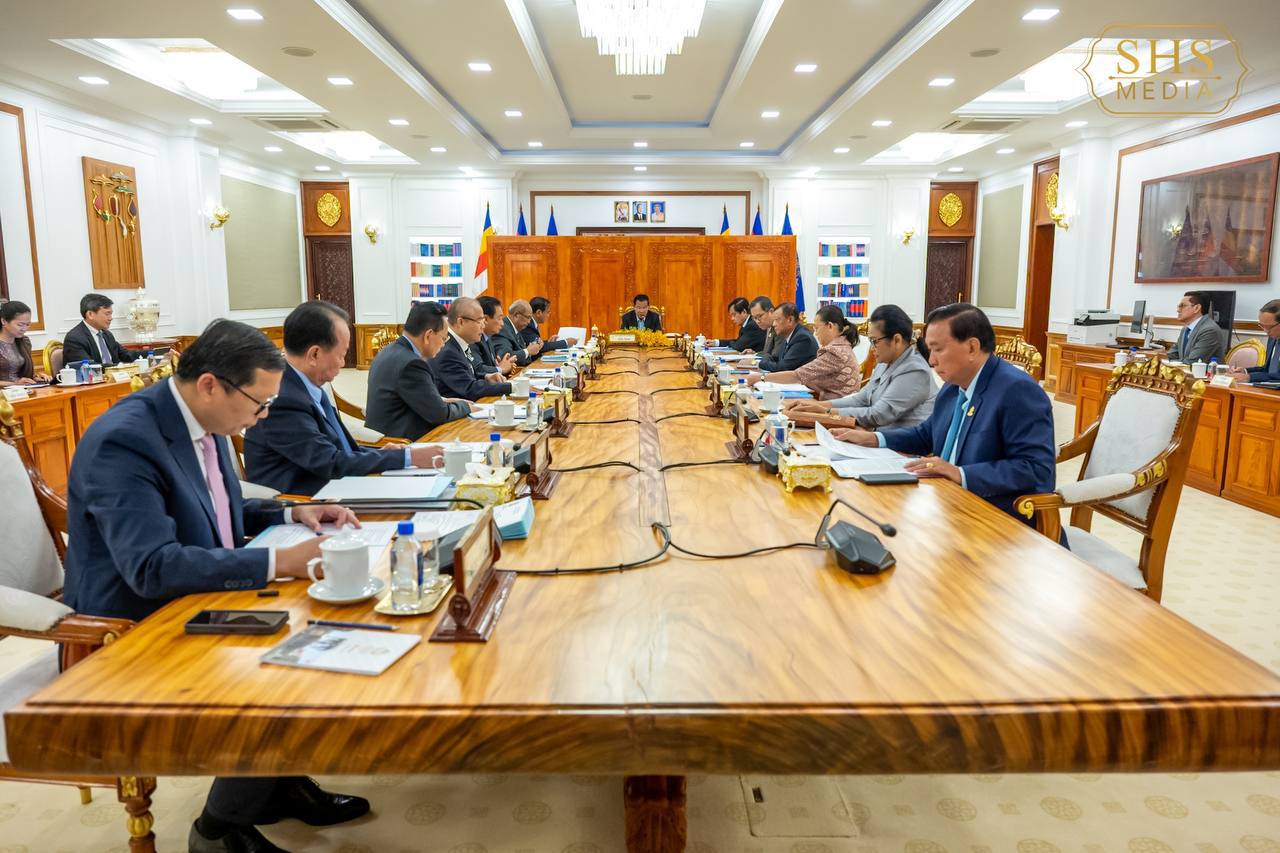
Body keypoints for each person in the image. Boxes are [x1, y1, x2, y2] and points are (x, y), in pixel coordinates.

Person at [62, 319, 369, 853]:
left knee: (331, 630)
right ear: (209, 385)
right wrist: (280, 560)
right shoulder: (124, 441)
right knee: (291, 665)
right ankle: (219, 830)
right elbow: (151, 567)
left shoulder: (201, 421)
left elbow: (217, 509)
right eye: (259, 403)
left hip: (200, 594)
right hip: (133, 627)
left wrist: (295, 512)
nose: (263, 416)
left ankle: (276, 788)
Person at [832, 303, 1055, 524]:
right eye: (930, 350)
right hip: (944, 503)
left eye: (938, 349)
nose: (931, 361)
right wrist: (874, 438)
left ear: (972, 347)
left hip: (996, 518)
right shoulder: (953, 386)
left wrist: (960, 473)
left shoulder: (1017, 390)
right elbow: (926, 434)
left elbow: (1037, 469)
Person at [243, 301, 444, 496]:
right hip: (307, 502)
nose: (343, 362)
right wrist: (407, 457)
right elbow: (329, 462)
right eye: (342, 354)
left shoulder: (304, 385)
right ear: (314, 354)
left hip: (335, 489)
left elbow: (335, 449)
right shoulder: (283, 398)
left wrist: (385, 454)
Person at [788, 304, 936, 429]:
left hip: (900, 448)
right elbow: (862, 399)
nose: (872, 348)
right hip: (878, 437)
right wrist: (822, 407)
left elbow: (878, 414)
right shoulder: (885, 362)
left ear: (896, 340)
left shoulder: (914, 370)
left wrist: (827, 412)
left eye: (875, 341)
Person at [366, 301, 475, 440]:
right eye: (443, 338)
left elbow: (404, 396)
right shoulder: (412, 364)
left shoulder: (390, 350)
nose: (443, 344)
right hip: (401, 442)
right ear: (428, 335)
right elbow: (439, 415)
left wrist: (442, 400)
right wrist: (466, 406)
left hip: (387, 435)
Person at [751, 304, 860, 399]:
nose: (816, 333)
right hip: (832, 404)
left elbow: (797, 375)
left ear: (830, 326)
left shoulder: (834, 352)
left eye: (817, 328)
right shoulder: (842, 345)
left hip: (835, 409)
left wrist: (761, 378)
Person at [430, 297, 514, 400]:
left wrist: (486, 377)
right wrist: (512, 387)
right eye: (479, 321)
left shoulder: (460, 342)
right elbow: (469, 388)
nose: (483, 326)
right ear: (461, 322)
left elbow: (466, 374)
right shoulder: (447, 350)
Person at [61, 293, 135, 367]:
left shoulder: (107, 334)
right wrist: (119, 367)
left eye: (111, 314)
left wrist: (142, 354)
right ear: (90, 314)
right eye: (107, 314)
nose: (110, 318)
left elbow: (126, 355)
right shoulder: (74, 338)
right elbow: (89, 367)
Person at [1164, 291, 1226, 363]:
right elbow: (1173, 354)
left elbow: (1192, 362)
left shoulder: (1210, 330)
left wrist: (1168, 363)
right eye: (1178, 306)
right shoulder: (1186, 329)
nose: (1178, 310)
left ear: (1197, 308)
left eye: (1182, 306)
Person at [1228, 299, 1280, 384]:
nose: (1265, 331)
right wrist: (1245, 371)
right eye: (1262, 326)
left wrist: (1250, 377)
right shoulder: (1273, 338)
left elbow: (1276, 375)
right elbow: (1267, 370)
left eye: (1269, 327)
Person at [757, 302, 818, 372]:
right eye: (773, 320)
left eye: (777, 320)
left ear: (790, 320)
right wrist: (766, 357)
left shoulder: (802, 338)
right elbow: (776, 358)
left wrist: (762, 363)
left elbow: (783, 368)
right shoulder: (789, 335)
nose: (774, 324)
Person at [0, 301, 50, 387]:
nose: (24, 329)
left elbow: (25, 373)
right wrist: (15, 384)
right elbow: (18, 382)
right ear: (4, 321)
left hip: (23, 390)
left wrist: (36, 377)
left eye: (27, 324)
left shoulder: (24, 341)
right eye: (20, 325)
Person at [475, 296, 518, 376]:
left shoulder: (488, 337)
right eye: (499, 318)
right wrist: (501, 369)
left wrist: (505, 366)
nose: (502, 324)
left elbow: (493, 367)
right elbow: (477, 369)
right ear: (485, 319)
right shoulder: (474, 340)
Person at [493, 299, 543, 366]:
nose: (529, 322)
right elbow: (505, 357)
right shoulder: (502, 329)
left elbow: (523, 357)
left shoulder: (516, 328)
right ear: (516, 315)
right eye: (528, 317)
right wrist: (528, 351)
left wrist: (532, 350)